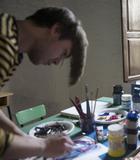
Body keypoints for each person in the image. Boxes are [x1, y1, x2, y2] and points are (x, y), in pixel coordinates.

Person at [0, 7, 88, 159]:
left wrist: (24, 138)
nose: (57, 62)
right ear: (56, 30)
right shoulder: (5, 43)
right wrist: (44, 146)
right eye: (63, 53)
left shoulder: (14, 50)